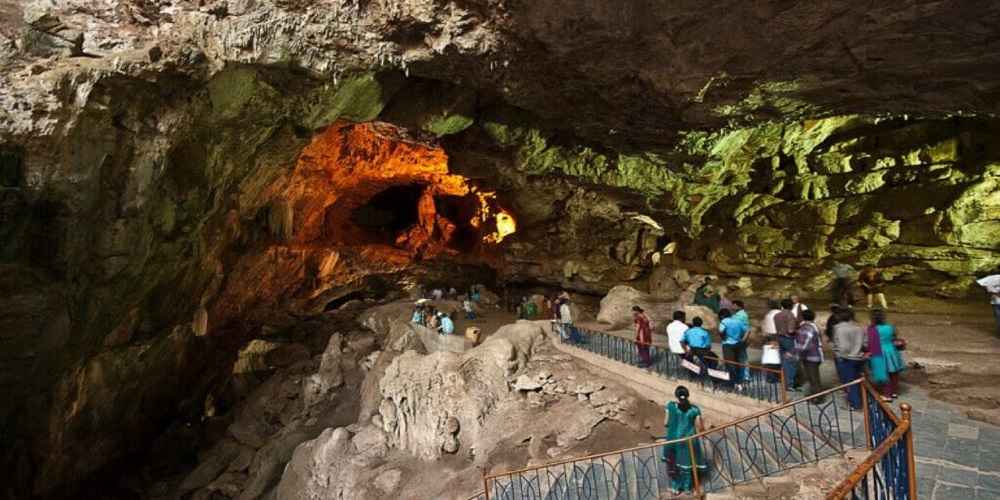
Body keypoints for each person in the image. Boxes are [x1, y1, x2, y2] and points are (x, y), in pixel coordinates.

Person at [660, 386, 707, 494]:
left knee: (673, 464)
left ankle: (675, 487)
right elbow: (700, 427)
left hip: (673, 440)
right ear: (688, 396)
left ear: (676, 396)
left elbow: (666, 423)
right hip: (689, 440)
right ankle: (687, 488)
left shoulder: (670, 406)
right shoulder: (695, 409)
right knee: (687, 464)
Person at [833, 308, 868, 409]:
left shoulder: (839, 328)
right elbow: (865, 343)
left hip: (847, 359)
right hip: (859, 357)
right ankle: (861, 400)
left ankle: (854, 404)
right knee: (858, 380)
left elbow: (843, 346)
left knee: (850, 382)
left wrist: (839, 354)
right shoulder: (859, 328)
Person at [867, 309, 905, 400]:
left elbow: (871, 343)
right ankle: (894, 392)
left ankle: (887, 395)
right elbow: (894, 337)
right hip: (892, 351)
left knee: (884, 374)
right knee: (894, 373)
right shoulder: (890, 327)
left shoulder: (872, 329)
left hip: (880, 352)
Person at [793, 309, 824, 401]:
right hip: (814, 355)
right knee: (813, 377)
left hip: (811, 356)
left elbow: (803, 344)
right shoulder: (814, 326)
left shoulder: (806, 328)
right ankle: (815, 395)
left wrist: (795, 353)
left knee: (813, 377)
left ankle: (817, 397)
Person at [719, 308, 749, 385]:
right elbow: (748, 330)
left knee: (729, 364)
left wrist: (723, 337)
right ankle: (740, 381)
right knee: (737, 363)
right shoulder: (738, 321)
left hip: (727, 345)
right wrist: (743, 340)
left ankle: (731, 382)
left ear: (722, 316)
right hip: (738, 344)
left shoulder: (724, 321)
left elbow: (721, 331)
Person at [775, 299, 800, 391]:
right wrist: (798, 331)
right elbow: (790, 330)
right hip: (788, 339)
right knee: (791, 361)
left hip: (779, 338)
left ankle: (784, 382)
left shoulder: (777, 315)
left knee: (783, 361)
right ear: (791, 306)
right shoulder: (790, 315)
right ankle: (789, 384)